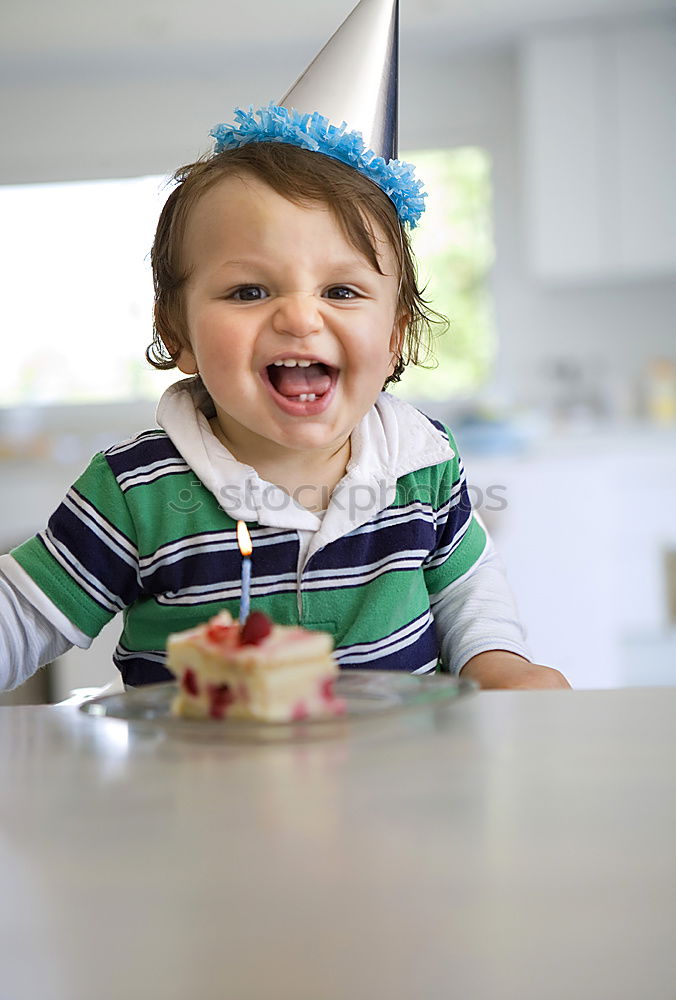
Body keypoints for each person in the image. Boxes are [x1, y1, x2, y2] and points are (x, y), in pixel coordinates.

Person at [0, 1, 569, 693]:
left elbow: (466, 587)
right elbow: (20, 617)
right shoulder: (135, 490)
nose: (300, 317)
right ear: (176, 334)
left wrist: (498, 662)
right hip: (199, 792)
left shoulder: (424, 461)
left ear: (393, 339)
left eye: (342, 291)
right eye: (248, 292)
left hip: (405, 787)